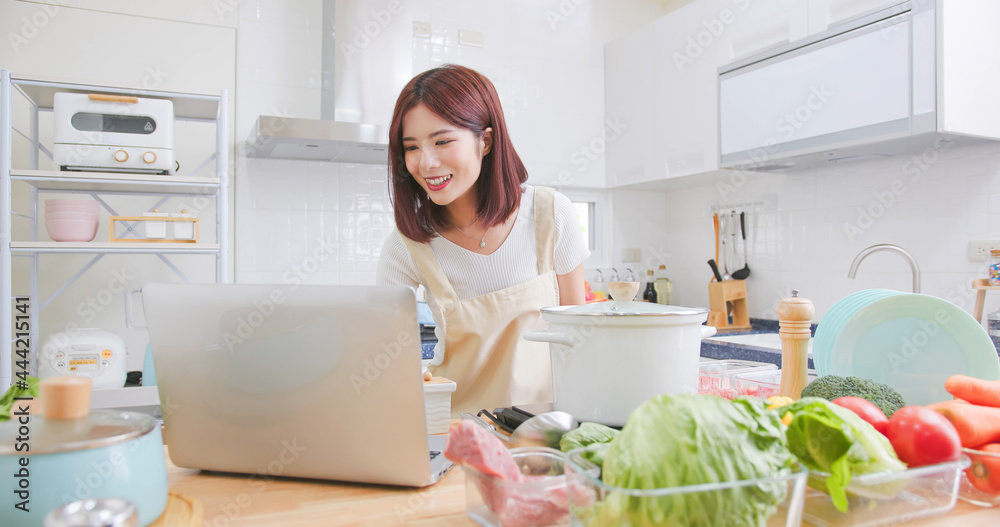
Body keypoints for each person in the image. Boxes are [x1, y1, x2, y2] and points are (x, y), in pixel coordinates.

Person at [376, 64, 589, 415]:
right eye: (411, 147)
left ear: (486, 140)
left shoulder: (552, 214)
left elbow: (579, 338)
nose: (425, 163)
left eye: (442, 141)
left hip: (547, 431)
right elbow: (382, 353)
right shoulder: (407, 245)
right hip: (459, 434)